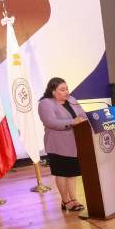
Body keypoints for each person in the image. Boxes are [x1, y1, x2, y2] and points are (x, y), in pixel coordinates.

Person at [37, 77, 88, 212]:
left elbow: (82, 115)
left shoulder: (72, 100)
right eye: (62, 90)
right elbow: (51, 122)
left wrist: (84, 119)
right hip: (57, 144)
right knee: (62, 173)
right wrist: (73, 122)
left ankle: (74, 199)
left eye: (67, 89)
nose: (66, 92)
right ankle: (65, 201)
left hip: (74, 144)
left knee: (72, 173)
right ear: (53, 91)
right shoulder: (46, 103)